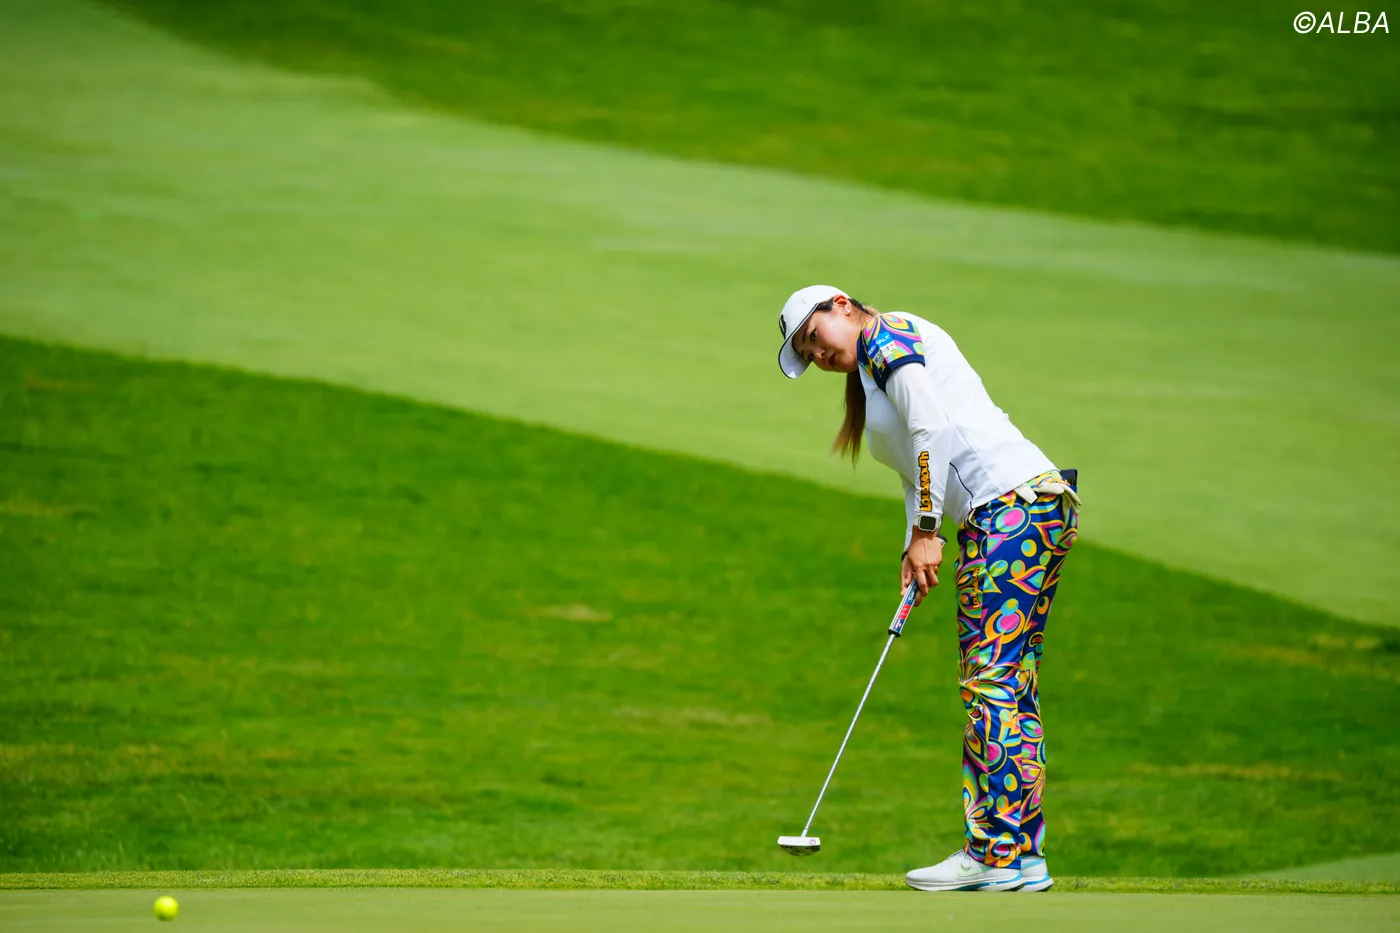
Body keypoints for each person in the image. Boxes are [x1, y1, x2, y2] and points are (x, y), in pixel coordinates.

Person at [775, 284, 1080, 893]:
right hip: (1027, 510)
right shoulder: (872, 372)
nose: (818, 355)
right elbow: (916, 469)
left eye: (814, 337)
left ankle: (994, 854)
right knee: (1008, 684)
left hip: (1009, 510)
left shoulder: (888, 337)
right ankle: (1021, 855)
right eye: (807, 355)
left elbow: (930, 431)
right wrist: (912, 546)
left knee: (990, 682)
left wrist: (928, 533)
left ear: (842, 305)